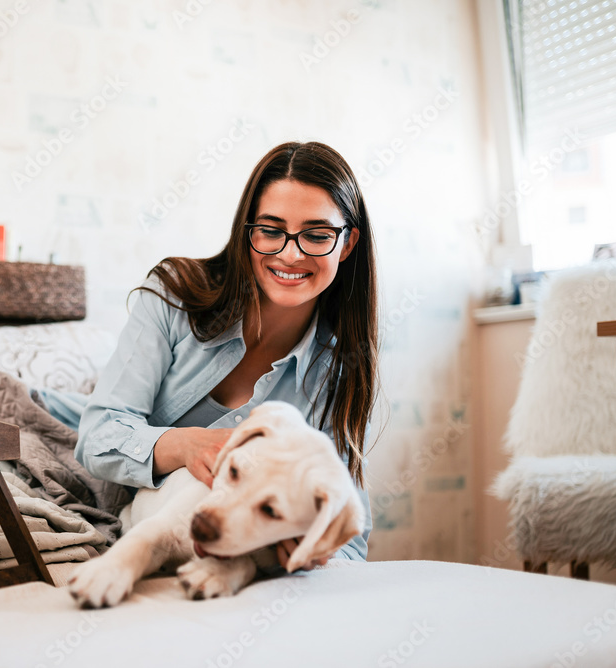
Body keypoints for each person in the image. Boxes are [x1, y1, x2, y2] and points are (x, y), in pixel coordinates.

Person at [39, 141, 377, 565]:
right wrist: (183, 445)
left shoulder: (339, 367)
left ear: (346, 245)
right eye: (271, 231)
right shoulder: (175, 293)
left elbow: (350, 541)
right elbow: (99, 433)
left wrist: (306, 555)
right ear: (247, 233)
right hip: (82, 462)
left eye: (317, 235)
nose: (291, 253)